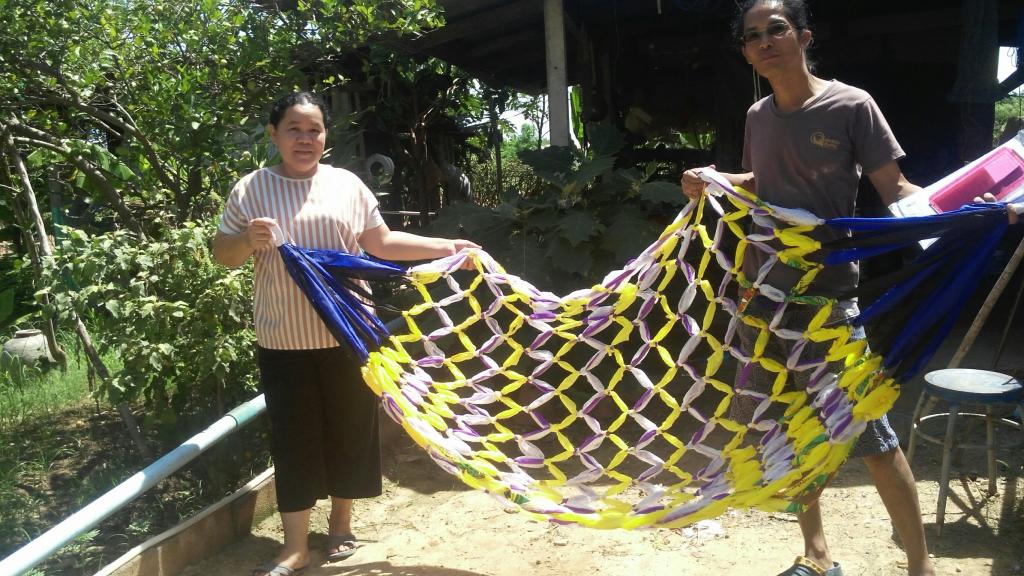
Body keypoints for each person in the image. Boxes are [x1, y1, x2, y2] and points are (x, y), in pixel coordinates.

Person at [681, 2, 938, 575]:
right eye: (752, 36)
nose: (764, 41)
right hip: (761, 295)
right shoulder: (758, 116)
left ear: (803, 37)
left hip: (825, 299)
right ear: (747, 53)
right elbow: (761, 184)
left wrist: (963, 211)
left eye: (776, 29)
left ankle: (921, 566)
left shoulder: (852, 105)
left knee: (870, 434)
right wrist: (715, 180)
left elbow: (896, 189)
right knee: (788, 432)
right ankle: (818, 557)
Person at [212, 91, 478, 576]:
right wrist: (247, 239)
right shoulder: (251, 189)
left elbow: (381, 243)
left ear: (325, 136)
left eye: (314, 130)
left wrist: (446, 246)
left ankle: (340, 526)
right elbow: (223, 255)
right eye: (294, 129)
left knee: (350, 430)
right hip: (283, 338)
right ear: (274, 134)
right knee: (293, 439)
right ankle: (294, 547)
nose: (305, 139)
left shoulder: (347, 185)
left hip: (350, 333)